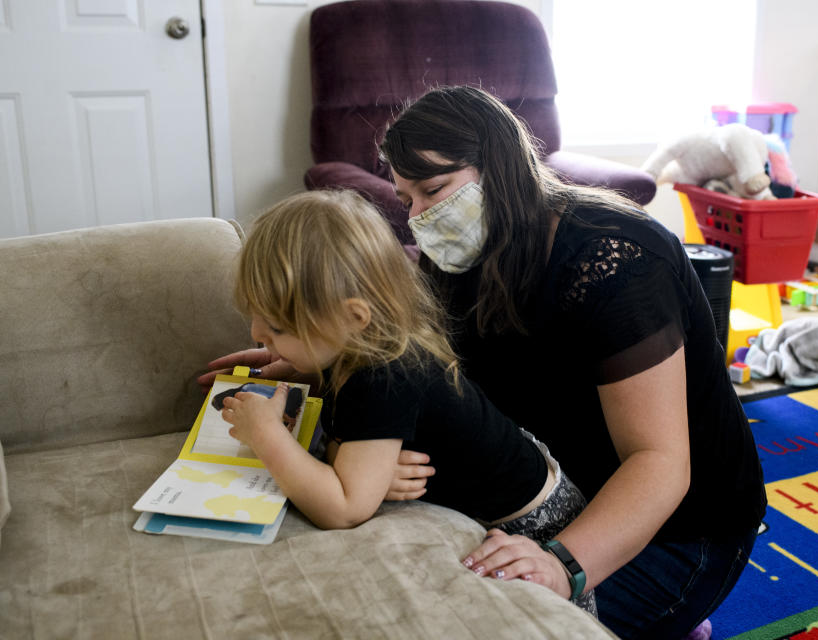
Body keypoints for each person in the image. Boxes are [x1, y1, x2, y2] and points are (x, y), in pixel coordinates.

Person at [205, 85, 767, 638]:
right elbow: (426, 374)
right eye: (406, 200)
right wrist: (310, 355)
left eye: (434, 189)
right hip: (546, 481)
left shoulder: (615, 261)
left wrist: (563, 564)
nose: (421, 218)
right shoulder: (456, 251)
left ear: (500, 168)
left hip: (682, 529)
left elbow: (659, 462)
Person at [214, 189, 597, 613]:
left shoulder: (383, 376)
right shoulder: (367, 348)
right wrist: (357, 462)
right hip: (531, 483)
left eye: (278, 328)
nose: (257, 335)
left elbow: (343, 509)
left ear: (354, 317)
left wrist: (267, 434)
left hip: (534, 527)